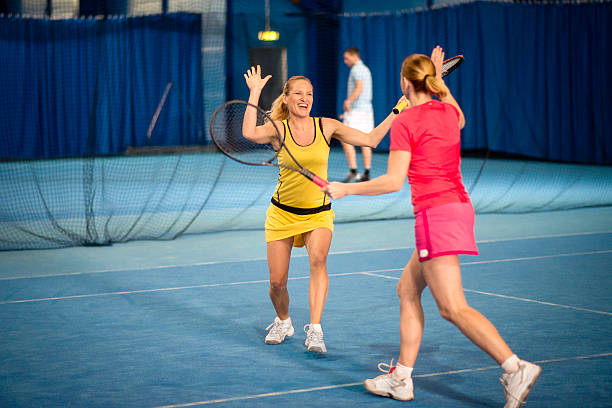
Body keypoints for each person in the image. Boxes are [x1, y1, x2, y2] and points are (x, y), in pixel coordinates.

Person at [322, 46, 541, 407]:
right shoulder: (448, 111)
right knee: (407, 290)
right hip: (457, 208)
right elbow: (461, 119)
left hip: (435, 215)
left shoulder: (406, 121)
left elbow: (393, 181)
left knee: (452, 307)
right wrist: (440, 82)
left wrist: (347, 188)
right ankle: (402, 378)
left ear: (406, 83)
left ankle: (514, 367)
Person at [242, 65, 402, 353]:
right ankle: (283, 320)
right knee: (277, 283)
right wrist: (254, 93)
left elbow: (371, 140)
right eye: (299, 94)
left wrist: (397, 110)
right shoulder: (279, 129)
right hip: (282, 213)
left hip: (319, 212)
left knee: (318, 261)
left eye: (310, 94)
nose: (305, 98)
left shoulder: (326, 126)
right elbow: (249, 133)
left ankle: (315, 329)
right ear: (287, 99)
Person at [341, 47, 374, 182]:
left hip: (356, 112)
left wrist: (348, 101)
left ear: (355, 57)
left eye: (347, 58)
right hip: (367, 111)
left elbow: (359, 88)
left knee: (344, 139)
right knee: (366, 141)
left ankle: (354, 171)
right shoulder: (365, 69)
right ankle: (366, 173)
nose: (345, 61)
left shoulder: (356, 69)